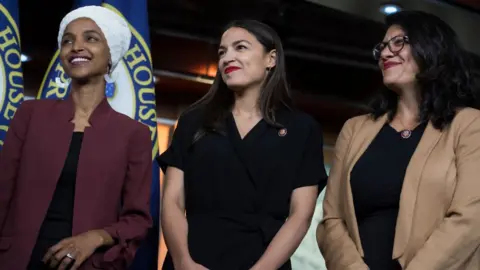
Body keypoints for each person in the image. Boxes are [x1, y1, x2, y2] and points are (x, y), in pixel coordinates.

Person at [316, 10, 480, 270]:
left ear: (432, 48)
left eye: (398, 42)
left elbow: (472, 216)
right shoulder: (354, 130)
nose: (384, 53)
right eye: (381, 47)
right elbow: (331, 220)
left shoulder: (470, 125)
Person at [158, 19, 327, 270]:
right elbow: (172, 202)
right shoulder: (194, 120)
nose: (228, 57)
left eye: (241, 47)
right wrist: (183, 261)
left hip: (263, 259)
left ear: (271, 59)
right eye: (222, 51)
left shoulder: (302, 129)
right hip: (194, 258)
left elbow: (300, 215)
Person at [0, 6, 152, 270]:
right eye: (68, 40)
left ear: (110, 55)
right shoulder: (29, 114)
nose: (76, 46)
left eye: (91, 38)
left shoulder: (134, 134)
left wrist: (95, 238)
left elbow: (137, 219)